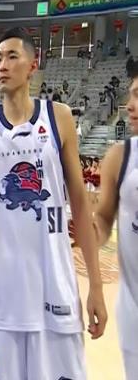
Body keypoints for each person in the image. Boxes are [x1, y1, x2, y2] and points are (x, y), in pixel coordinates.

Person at [0, 27, 107, 379]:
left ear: (33, 65)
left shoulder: (59, 118)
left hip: (57, 294)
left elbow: (80, 206)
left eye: (12, 56)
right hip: (7, 301)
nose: (3, 65)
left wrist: (97, 288)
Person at [94, 58, 138, 379]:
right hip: (133, 314)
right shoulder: (119, 158)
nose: (129, 105)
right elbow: (102, 224)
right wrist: (83, 230)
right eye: (131, 95)